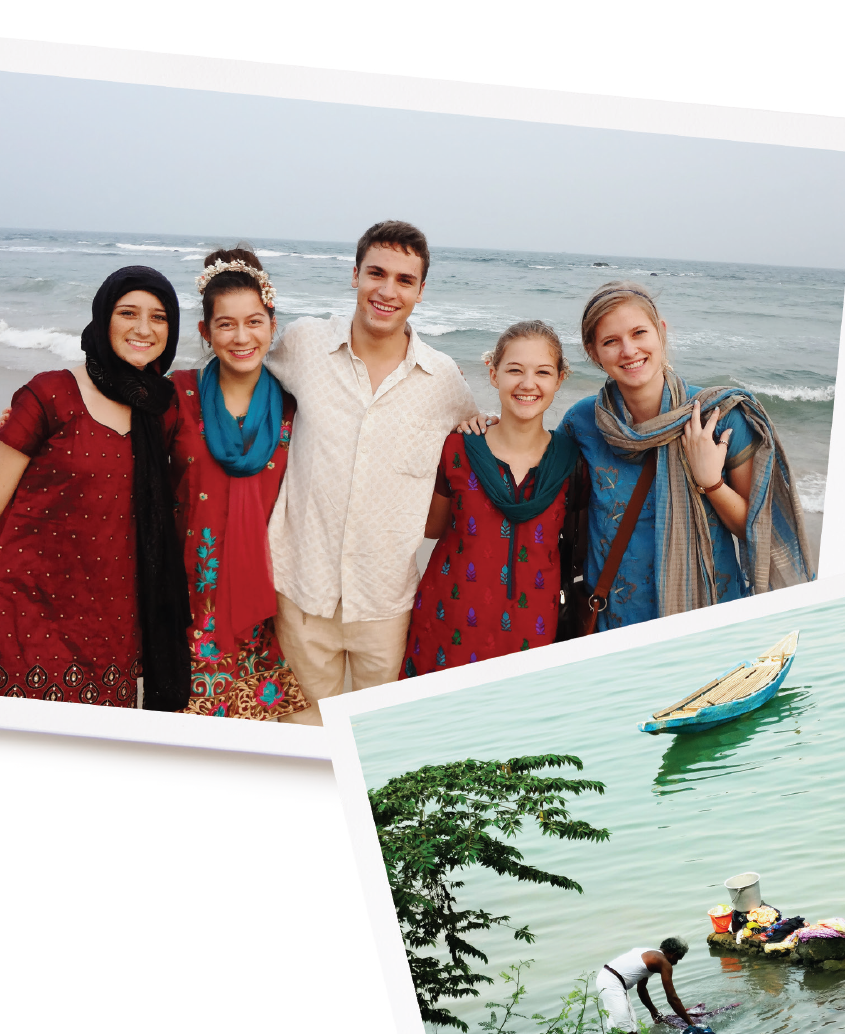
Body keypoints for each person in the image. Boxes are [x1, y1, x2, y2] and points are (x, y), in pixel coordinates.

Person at [0, 265, 193, 709]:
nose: (143, 328)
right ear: (103, 318)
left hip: (109, 621)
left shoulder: (162, 410)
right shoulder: (50, 395)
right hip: (21, 606)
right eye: (128, 313)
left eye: (159, 317)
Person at [466, 281, 813, 630]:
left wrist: (711, 482)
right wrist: (487, 425)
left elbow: (757, 528)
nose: (628, 350)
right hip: (610, 622)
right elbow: (536, 468)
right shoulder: (583, 423)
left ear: (660, 332)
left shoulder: (718, 417)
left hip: (708, 618)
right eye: (610, 341)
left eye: (638, 333)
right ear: (593, 352)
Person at [263, 220, 479, 722]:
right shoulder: (304, 343)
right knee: (302, 735)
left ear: (421, 292)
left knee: (375, 738)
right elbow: (240, 369)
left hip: (385, 600)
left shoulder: (442, 377)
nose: (387, 290)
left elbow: (475, 436)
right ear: (354, 274)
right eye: (376, 273)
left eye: (404, 280)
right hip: (300, 587)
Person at [162, 247, 310, 719]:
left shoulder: (296, 405)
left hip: (271, 603)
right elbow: (117, 444)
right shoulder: (175, 396)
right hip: (189, 598)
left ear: (272, 323)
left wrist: (477, 420)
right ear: (206, 332)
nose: (242, 337)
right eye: (226, 324)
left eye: (254, 322)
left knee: (256, 748)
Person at [399, 321, 585, 677]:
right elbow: (433, 527)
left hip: (533, 624)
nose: (528, 383)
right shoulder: (457, 448)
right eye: (514, 370)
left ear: (560, 380)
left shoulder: (572, 461)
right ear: (493, 374)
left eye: (543, 372)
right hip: (448, 619)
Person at [597, 939, 694, 1034]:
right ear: (673, 954)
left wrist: (653, 1011)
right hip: (611, 983)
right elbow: (672, 998)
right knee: (626, 1031)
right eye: (677, 959)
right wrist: (691, 1024)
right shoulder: (663, 962)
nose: (676, 963)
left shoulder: (649, 955)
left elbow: (641, 989)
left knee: (632, 1029)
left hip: (610, 979)